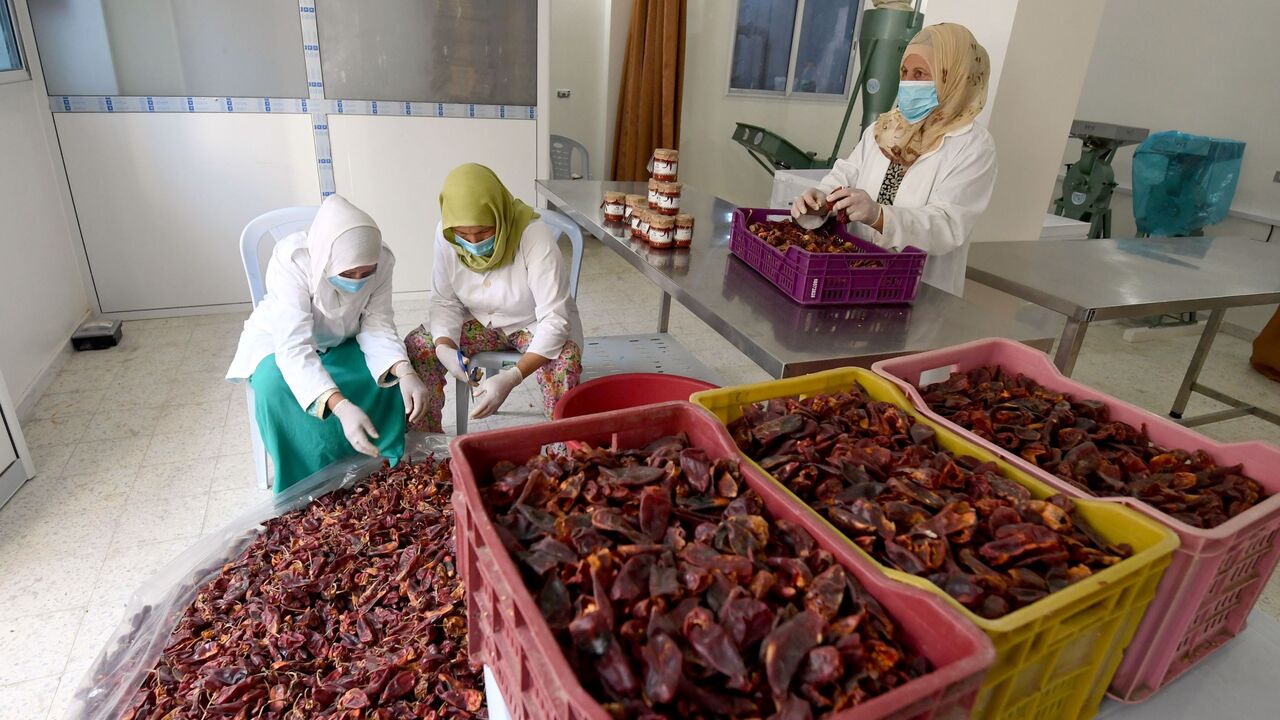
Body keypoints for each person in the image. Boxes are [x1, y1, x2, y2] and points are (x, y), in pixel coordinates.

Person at [226, 194, 429, 492]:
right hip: (279, 340)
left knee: (383, 380)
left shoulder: (381, 259)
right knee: (273, 387)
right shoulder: (291, 260)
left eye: (365, 273)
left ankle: (374, 465)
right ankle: (305, 481)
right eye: (348, 274)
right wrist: (342, 406)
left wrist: (405, 372)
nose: (358, 280)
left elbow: (377, 324)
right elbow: (294, 347)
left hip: (343, 335)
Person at [793, 22, 995, 296]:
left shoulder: (972, 145)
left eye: (920, 74)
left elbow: (948, 225)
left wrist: (879, 216)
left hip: (919, 288)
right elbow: (846, 175)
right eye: (904, 73)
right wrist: (820, 200)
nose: (908, 83)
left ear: (953, 78)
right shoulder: (885, 129)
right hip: (855, 273)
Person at [404, 163, 584, 432]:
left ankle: (562, 454)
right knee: (420, 345)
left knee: (564, 360)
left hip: (530, 322)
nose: (473, 242)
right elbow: (445, 301)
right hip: (480, 320)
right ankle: (427, 446)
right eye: (464, 235)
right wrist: (445, 348)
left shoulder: (533, 235)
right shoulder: (446, 234)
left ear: (500, 217)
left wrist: (512, 377)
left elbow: (554, 320)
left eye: (484, 232)